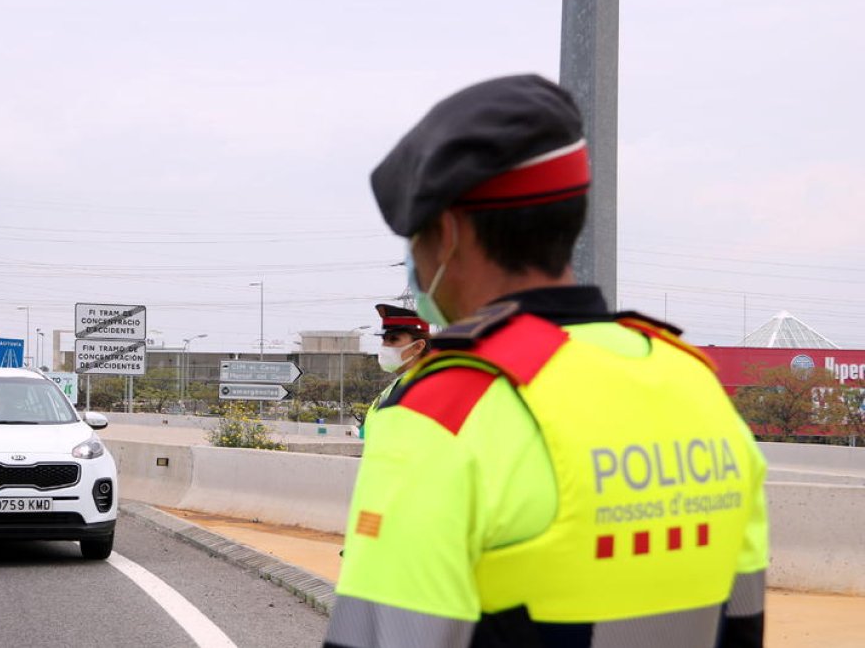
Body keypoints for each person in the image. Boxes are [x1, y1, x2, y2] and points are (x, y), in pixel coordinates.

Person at [325, 75, 768, 647]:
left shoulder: (444, 412)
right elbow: (744, 623)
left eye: (414, 239)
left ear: (448, 234)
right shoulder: (695, 386)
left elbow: (381, 636)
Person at [359, 304, 430, 439]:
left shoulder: (424, 388)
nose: (385, 346)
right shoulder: (397, 386)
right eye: (384, 339)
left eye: (393, 339)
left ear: (418, 347)